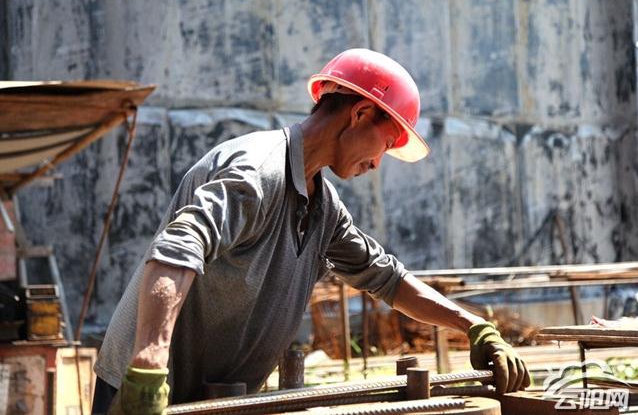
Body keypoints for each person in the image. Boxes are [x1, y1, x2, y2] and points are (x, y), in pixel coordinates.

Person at [92, 48, 530, 415]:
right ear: (360, 113)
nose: (378, 164)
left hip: (220, 398)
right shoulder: (258, 170)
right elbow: (177, 248)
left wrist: (474, 325)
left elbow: (388, 278)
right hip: (143, 394)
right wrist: (148, 362)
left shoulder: (323, 208)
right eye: (388, 143)